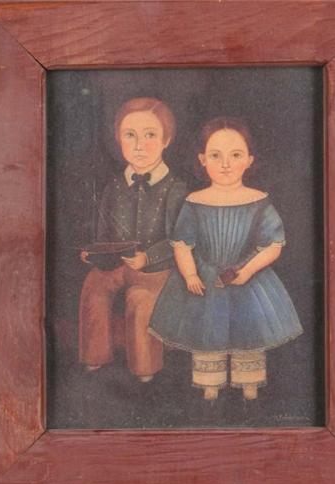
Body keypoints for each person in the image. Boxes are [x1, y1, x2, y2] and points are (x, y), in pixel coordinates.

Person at [148, 117, 303, 400]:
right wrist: (190, 274)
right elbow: (182, 245)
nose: (226, 164)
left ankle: (249, 385)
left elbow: (273, 245)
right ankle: (210, 385)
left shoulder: (258, 201)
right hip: (205, 278)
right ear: (202, 160)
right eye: (216, 156)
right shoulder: (194, 202)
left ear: (249, 160)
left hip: (249, 278)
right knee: (207, 331)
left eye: (236, 155)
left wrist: (249, 270)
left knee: (251, 330)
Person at [79, 97, 186, 382]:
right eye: (130, 135)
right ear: (118, 139)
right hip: (118, 264)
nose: (139, 145)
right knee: (94, 287)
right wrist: (94, 253)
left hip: (157, 269)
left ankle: (145, 368)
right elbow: (102, 234)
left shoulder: (176, 189)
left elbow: (179, 240)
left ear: (166, 140)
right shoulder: (114, 186)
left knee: (140, 300)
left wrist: (148, 257)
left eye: (150, 135)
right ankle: (94, 356)